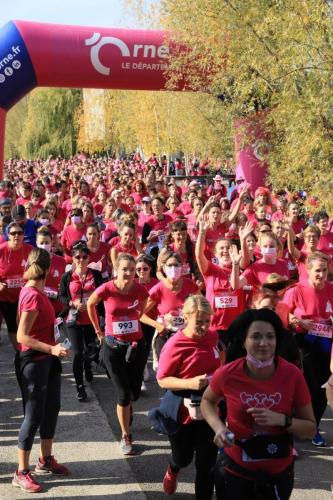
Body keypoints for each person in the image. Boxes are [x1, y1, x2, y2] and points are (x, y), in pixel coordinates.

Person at [201, 309, 316, 500]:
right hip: (236, 470)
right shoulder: (228, 373)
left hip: (278, 473)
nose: (264, 343)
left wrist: (282, 420)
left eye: (270, 336)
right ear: (243, 341)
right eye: (255, 337)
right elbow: (207, 401)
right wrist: (219, 428)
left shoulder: (292, 375)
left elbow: (310, 429)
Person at [12, 248, 70, 493]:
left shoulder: (35, 291)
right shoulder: (33, 295)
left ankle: (45, 460)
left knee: (52, 407)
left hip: (47, 360)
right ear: (47, 270)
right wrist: (51, 348)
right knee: (33, 414)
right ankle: (21, 472)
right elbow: (21, 334)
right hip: (35, 361)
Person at [156, 295, 220, 499]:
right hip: (182, 409)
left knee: (207, 465)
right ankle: (173, 469)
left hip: (210, 408)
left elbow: (221, 363)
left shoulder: (213, 336)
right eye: (198, 322)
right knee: (183, 458)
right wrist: (189, 383)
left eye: (207, 321)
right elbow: (162, 379)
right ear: (186, 317)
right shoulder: (176, 344)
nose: (203, 326)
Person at [87, 253, 149, 455]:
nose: (129, 273)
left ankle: (127, 410)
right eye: (125, 269)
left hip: (136, 346)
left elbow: (147, 302)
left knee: (134, 394)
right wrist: (98, 330)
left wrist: (140, 315)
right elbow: (90, 304)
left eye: (132, 270)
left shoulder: (139, 289)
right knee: (123, 394)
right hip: (113, 347)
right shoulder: (107, 288)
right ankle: (125, 435)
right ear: (116, 270)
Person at [283, 251, 333, 446]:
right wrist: (296, 320)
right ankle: (300, 426)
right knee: (311, 387)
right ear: (308, 271)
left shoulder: (331, 289)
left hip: (326, 345)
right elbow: (282, 315)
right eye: (317, 271)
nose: (321, 274)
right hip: (303, 343)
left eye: (324, 270)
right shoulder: (295, 290)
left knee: (322, 389)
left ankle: (313, 427)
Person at [59, 241, 103, 401]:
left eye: (85, 257)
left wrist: (93, 303)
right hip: (74, 320)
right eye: (78, 257)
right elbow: (61, 296)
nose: (81, 260)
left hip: (91, 319)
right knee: (77, 353)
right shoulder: (67, 276)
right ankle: (79, 386)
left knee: (90, 350)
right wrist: (73, 303)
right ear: (72, 258)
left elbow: (103, 294)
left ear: (89, 258)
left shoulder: (95, 275)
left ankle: (88, 366)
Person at [140, 251, 199, 368]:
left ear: (182, 267)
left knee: (185, 368)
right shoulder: (158, 289)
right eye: (170, 265)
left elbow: (202, 307)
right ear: (163, 268)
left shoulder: (190, 285)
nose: (173, 268)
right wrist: (157, 325)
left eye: (176, 265)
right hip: (165, 334)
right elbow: (140, 314)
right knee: (166, 369)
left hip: (186, 334)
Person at [0, 222, 33, 348]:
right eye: (13, 233)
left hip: (24, 297)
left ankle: (27, 348)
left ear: (23, 235)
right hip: (6, 297)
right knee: (12, 326)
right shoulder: (1, 250)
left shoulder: (30, 250)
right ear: (8, 235)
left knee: (25, 325)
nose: (16, 236)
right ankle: (19, 351)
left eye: (19, 233)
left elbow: (36, 270)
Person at [36, 226, 66, 315]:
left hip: (57, 307)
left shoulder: (61, 261)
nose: (44, 245)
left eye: (46, 242)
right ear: (36, 243)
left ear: (52, 242)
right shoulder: (32, 261)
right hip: (38, 306)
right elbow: (26, 283)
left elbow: (65, 283)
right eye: (41, 243)